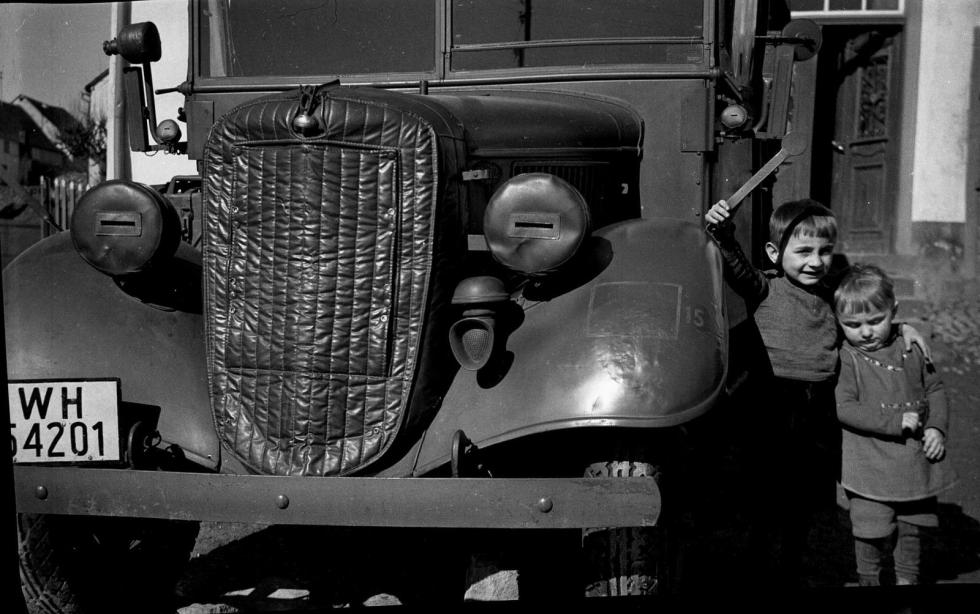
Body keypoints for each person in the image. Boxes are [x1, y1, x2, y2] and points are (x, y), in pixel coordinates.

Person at [703, 198, 927, 589]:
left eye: (824, 251)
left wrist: (900, 328)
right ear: (775, 253)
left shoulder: (831, 295)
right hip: (772, 402)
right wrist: (721, 230)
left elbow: (864, 316)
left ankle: (792, 563)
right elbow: (736, 267)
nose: (815, 261)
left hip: (819, 405)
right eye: (803, 251)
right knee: (763, 490)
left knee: (803, 494)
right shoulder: (765, 286)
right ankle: (756, 563)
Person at [834, 264, 957, 586]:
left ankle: (906, 581)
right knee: (869, 531)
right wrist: (893, 421)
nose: (866, 332)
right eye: (853, 325)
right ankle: (869, 580)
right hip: (869, 465)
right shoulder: (847, 358)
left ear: (894, 311)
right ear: (838, 321)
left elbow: (935, 389)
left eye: (876, 321)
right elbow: (843, 407)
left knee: (912, 527)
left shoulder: (911, 347)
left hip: (913, 463)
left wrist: (936, 427)